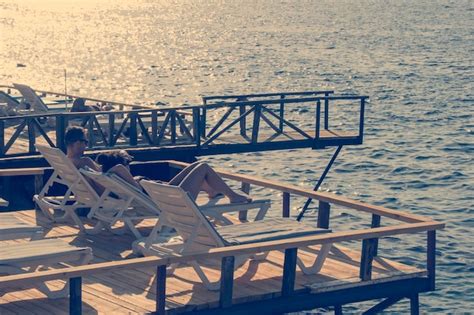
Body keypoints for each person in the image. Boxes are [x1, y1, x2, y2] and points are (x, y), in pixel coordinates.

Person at [66, 126, 251, 203]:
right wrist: (126, 174)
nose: (86, 145)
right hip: (158, 196)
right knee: (202, 166)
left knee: (197, 169)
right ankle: (232, 195)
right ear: (75, 143)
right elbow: (115, 178)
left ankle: (213, 191)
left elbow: (105, 180)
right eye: (84, 141)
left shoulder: (73, 164)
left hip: (150, 190)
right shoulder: (86, 162)